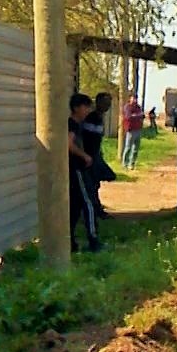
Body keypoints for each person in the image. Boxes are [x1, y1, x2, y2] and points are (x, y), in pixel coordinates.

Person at [67, 94, 102, 253]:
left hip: (77, 168)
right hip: (76, 168)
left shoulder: (78, 124)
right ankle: (93, 240)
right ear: (76, 108)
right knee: (88, 203)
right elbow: (68, 144)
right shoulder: (72, 124)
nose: (88, 110)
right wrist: (84, 156)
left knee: (75, 207)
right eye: (85, 107)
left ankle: (70, 242)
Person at [80, 91, 117, 220]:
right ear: (97, 102)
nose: (107, 105)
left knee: (97, 182)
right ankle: (95, 210)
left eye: (109, 103)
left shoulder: (99, 118)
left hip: (95, 155)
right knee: (91, 185)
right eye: (105, 102)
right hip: (88, 157)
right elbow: (86, 139)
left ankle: (97, 209)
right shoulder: (92, 118)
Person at [120, 93, 145, 168]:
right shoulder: (128, 107)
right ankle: (125, 163)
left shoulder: (138, 107)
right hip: (131, 130)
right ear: (130, 98)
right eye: (133, 98)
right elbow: (128, 117)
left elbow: (142, 115)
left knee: (135, 148)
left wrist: (139, 116)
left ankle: (132, 163)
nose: (135, 100)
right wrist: (138, 115)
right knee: (128, 147)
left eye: (136, 98)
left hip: (138, 129)